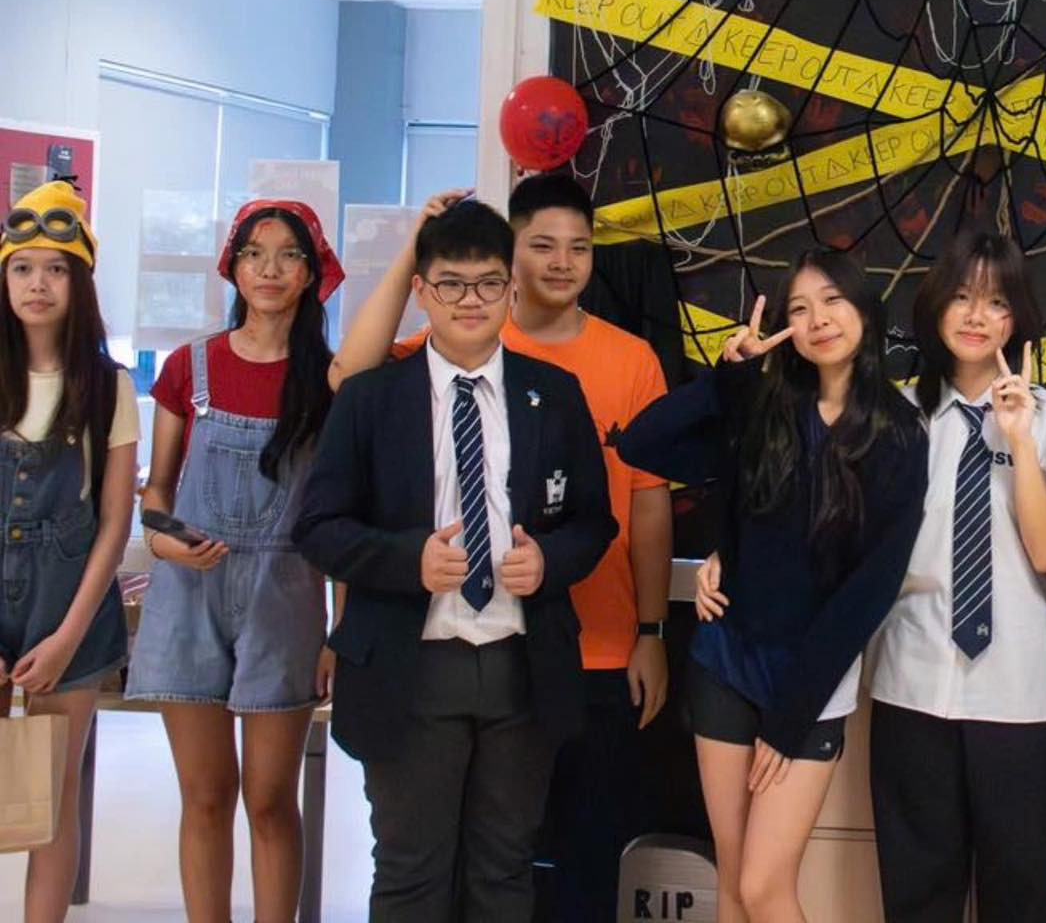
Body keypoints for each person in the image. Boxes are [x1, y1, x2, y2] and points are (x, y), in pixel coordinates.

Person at [332, 175, 672, 923]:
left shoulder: (559, 387)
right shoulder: (396, 382)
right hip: (414, 659)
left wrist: (560, 568)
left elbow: (605, 518)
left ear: (506, 287)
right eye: (452, 285)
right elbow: (323, 519)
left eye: (487, 284)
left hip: (538, 658)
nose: (471, 299)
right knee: (412, 870)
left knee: (512, 867)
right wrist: (407, 560)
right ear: (427, 291)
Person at [615, 248, 927, 923]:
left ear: (865, 311)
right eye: (800, 309)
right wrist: (728, 377)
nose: (819, 320)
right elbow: (641, 444)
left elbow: (868, 592)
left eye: (833, 301)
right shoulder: (763, 405)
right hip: (726, 660)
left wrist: (788, 720)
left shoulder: (898, 433)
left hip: (810, 685)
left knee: (764, 887)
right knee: (732, 883)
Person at [127, 200, 346, 923]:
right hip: (189, 595)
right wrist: (164, 540)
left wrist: (337, 631)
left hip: (285, 597)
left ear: (312, 273)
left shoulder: (330, 382)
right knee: (205, 795)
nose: (269, 269)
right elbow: (157, 492)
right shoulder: (189, 367)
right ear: (233, 267)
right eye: (254, 253)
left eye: (288, 255)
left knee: (271, 801)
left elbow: (342, 517)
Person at [864, 227, 1046, 923]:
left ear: (1019, 318)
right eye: (961, 297)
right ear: (935, 308)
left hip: (1020, 693)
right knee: (917, 897)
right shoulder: (897, 416)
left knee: (1019, 898)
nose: (978, 316)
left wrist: (1021, 442)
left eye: (997, 302)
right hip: (913, 682)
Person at [0, 181, 136, 923]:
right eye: (22, 268)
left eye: (56, 269)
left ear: (79, 281)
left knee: (51, 802)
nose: (38, 284)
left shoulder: (108, 387)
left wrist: (67, 636)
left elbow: (113, 523)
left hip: (70, 607)